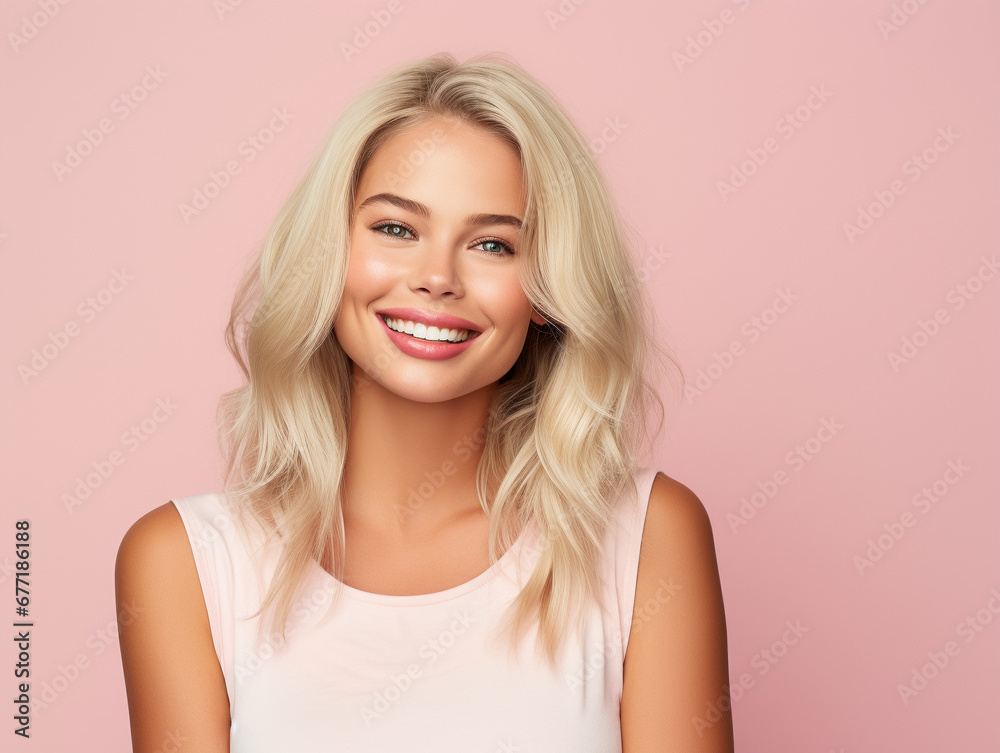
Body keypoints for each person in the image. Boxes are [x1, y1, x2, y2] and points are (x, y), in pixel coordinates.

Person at [115, 52, 734, 752]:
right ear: (331, 251)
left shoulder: (645, 536)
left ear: (547, 295)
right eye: (396, 228)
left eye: (494, 244)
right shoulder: (185, 562)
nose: (437, 277)